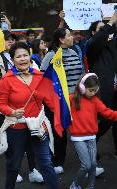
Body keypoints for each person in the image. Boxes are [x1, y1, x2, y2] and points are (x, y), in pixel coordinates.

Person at [0, 42, 59, 189]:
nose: (23, 59)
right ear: (12, 60)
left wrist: (65, 112)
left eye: (25, 55)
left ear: (30, 56)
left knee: (46, 163)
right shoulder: (6, 80)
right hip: (17, 128)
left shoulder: (40, 76)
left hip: (38, 126)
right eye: (19, 56)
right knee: (14, 165)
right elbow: (1, 104)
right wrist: (12, 112)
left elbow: (50, 100)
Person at [0, 31, 43, 183]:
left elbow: (38, 76)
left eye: (12, 39)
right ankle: (14, 171)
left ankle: (32, 170)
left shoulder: (27, 60)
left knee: (32, 147)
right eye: (7, 40)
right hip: (11, 111)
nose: (10, 42)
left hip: (32, 114)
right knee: (13, 149)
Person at [69, 73, 117, 189]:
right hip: (78, 138)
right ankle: (75, 184)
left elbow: (107, 112)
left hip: (91, 137)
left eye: (95, 90)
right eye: (90, 90)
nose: (93, 93)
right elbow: (58, 106)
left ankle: (91, 186)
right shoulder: (71, 98)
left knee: (93, 164)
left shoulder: (95, 100)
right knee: (86, 165)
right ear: (82, 87)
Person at [86, 12, 117, 162]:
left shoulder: (113, 44)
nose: (105, 31)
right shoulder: (92, 46)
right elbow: (98, 39)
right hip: (104, 90)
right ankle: (90, 142)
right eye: (100, 29)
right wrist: (110, 23)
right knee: (106, 120)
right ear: (93, 33)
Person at [41, 28, 84, 174]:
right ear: (61, 39)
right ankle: (57, 162)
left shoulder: (73, 52)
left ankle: (90, 162)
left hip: (76, 99)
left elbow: (80, 74)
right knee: (59, 132)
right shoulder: (52, 55)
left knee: (81, 130)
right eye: (69, 35)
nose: (72, 37)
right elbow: (43, 78)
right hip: (58, 102)